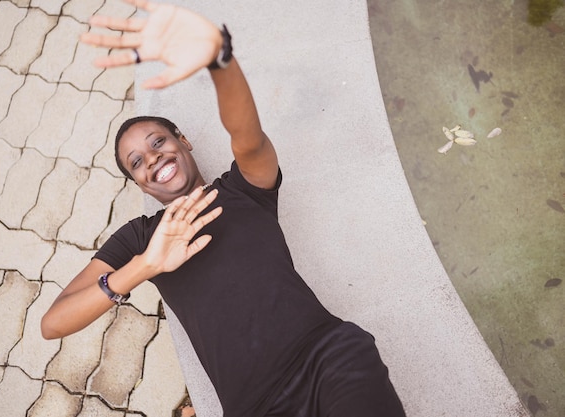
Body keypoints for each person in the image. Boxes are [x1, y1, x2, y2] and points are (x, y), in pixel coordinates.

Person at [41, 1, 406, 416]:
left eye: (158, 142)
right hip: (255, 407)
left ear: (183, 141)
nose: (153, 159)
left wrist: (219, 61)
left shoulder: (243, 189)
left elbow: (247, 137)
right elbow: (53, 323)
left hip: (328, 359)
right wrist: (145, 266)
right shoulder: (141, 238)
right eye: (137, 162)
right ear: (138, 182)